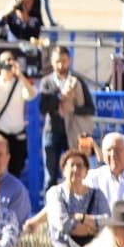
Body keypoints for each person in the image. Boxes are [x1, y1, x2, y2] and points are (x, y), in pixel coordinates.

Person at [45, 149, 108, 247]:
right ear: (63, 169)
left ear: (87, 170)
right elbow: (62, 224)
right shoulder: (55, 193)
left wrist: (81, 217)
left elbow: (107, 222)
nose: (76, 169)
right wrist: (91, 227)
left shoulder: (97, 194)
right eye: (71, 165)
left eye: (80, 166)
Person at [38, 45, 95, 192]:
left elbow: (90, 108)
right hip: (52, 131)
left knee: (74, 173)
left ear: (69, 60)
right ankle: (49, 209)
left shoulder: (77, 81)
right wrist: (59, 98)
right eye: (57, 61)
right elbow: (43, 107)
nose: (60, 65)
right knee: (50, 176)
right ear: (52, 62)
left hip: (73, 132)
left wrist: (73, 109)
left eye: (63, 61)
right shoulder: (47, 82)